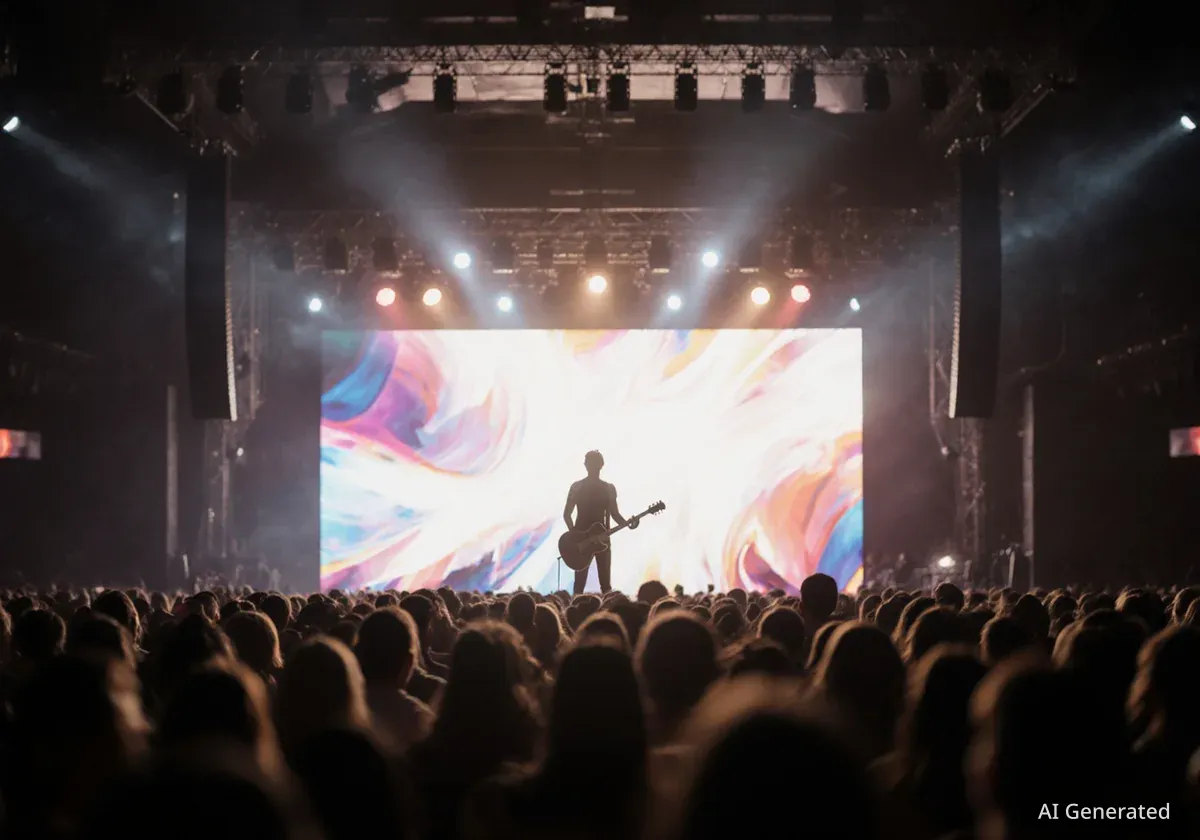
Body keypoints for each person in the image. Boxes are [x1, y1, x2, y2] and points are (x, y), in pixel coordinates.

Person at [562, 450, 634, 596]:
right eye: (589, 463)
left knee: (605, 584)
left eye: (594, 463)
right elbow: (567, 514)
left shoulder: (609, 488)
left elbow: (614, 514)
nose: (592, 466)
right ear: (585, 465)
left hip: (603, 540)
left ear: (601, 465)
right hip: (581, 542)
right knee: (580, 584)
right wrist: (576, 537)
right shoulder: (577, 487)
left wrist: (628, 523)